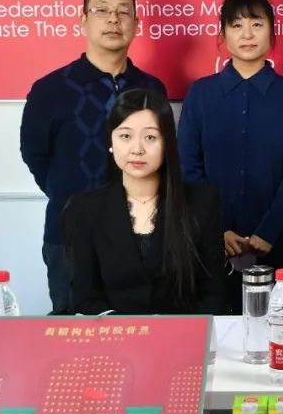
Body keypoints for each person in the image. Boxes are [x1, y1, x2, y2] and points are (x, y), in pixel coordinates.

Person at [20, 0, 165, 314]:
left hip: (142, 236)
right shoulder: (50, 90)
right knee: (75, 332)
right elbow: (35, 155)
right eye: (102, 10)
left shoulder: (151, 88)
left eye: (123, 12)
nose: (113, 19)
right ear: (83, 20)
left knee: (144, 330)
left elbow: (162, 155)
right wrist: (73, 200)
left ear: (136, 24)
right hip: (70, 237)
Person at [178, 0, 283, 283]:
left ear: (271, 32)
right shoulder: (201, 93)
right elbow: (188, 167)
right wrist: (218, 228)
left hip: (277, 242)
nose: (247, 34)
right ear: (223, 34)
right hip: (211, 242)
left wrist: (269, 230)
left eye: (257, 24)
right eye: (237, 25)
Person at [61, 89, 225, 315]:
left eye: (150, 137)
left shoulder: (202, 203)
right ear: (111, 141)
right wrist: (135, 331)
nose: (137, 149)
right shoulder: (83, 210)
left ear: (167, 143)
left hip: (183, 333)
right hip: (117, 334)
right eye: (125, 136)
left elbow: (214, 294)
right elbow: (84, 298)